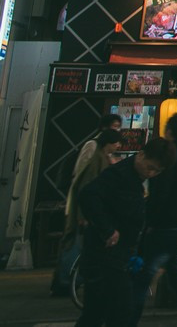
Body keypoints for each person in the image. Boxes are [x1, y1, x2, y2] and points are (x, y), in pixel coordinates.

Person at [75, 137, 175, 327]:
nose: (151, 173)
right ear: (141, 154)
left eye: (157, 171)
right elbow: (87, 195)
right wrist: (107, 230)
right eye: (150, 167)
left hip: (120, 257)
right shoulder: (118, 175)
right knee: (114, 312)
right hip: (104, 256)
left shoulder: (140, 179)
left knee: (100, 313)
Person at [129, 115, 177, 327]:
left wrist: (149, 220)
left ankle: (128, 319)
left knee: (143, 277)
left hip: (163, 225)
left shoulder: (167, 155)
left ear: (169, 132)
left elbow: (160, 193)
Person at [56, 127, 122, 296]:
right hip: (86, 212)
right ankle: (67, 282)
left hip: (88, 210)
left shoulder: (100, 156)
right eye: (116, 143)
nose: (118, 146)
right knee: (76, 246)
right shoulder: (96, 158)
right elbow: (87, 187)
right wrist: (83, 214)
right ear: (108, 143)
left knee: (78, 245)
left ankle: (68, 282)